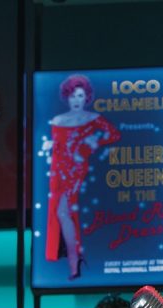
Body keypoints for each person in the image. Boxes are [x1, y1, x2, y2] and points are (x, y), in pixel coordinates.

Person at [42, 74, 121, 280]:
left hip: (76, 170)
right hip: (57, 171)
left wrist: (92, 143)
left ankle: (74, 260)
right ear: (67, 97)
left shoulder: (92, 118)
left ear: (86, 97)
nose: (76, 100)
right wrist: (49, 146)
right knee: (59, 213)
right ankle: (74, 260)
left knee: (64, 213)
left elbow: (113, 134)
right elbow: (57, 143)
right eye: (72, 96)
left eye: (80, 96)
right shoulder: (58, 120)